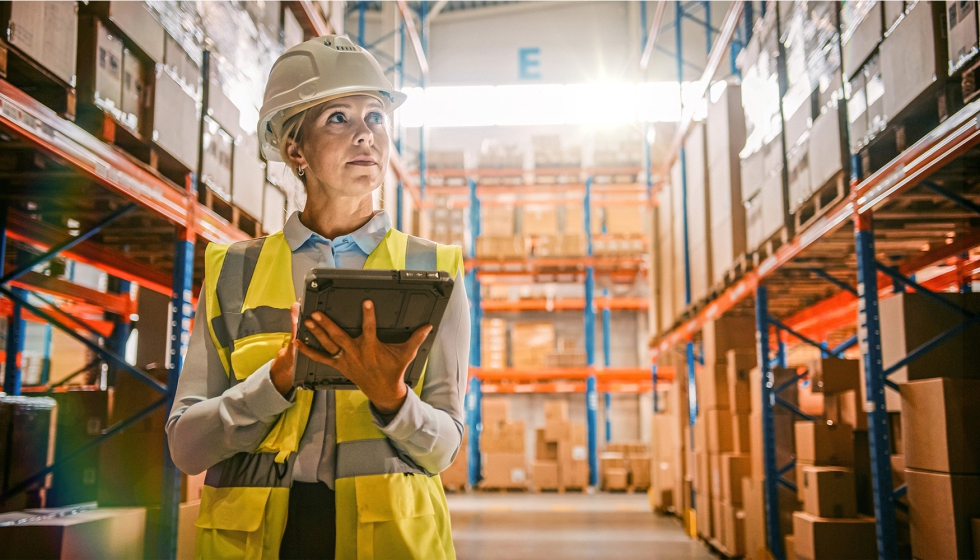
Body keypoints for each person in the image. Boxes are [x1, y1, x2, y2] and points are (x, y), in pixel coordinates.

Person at [166, 34, 469, 560]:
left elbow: (445, 448)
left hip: (386, 542)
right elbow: (185, 448)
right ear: (294, 149)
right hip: (261, 544)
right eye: (338, 118)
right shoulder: (235, 270)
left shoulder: (432, 267)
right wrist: (274, 383)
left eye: (376, 116)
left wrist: (391, 399)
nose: (365, 136)